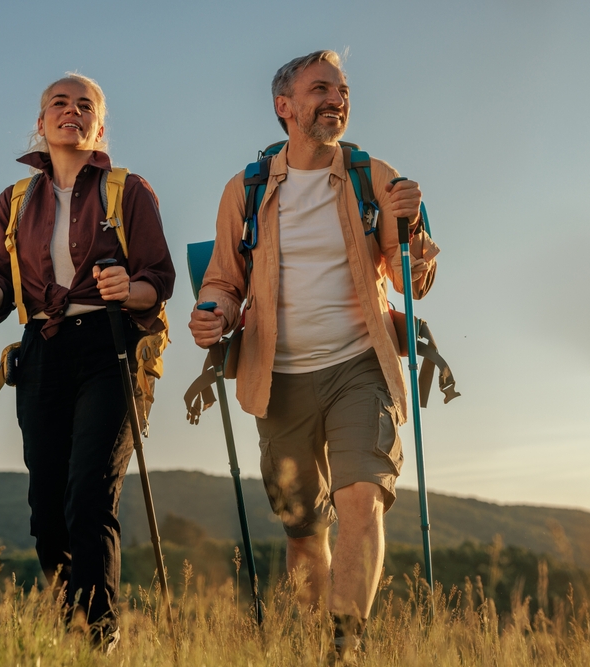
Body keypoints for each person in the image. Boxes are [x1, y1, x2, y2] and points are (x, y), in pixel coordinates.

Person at [189, 50, 439, 660]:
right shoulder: (246, 189)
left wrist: (416, 235)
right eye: (321, 88)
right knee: (304, 531)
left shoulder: (373, 176)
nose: (337, 97)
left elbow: (410, 280)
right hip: (279, 376)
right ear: (286, 107)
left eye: (343, 88)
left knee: (361, 496)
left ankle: (344, 648)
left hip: (361, 366)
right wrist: (214, 315)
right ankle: (307, 649)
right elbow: (225, 280)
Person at [0, 73, 175, 642]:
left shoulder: (130, 190)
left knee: (89, 496)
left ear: (99, 126)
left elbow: (160, 279)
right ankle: (68, 619)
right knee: (47, 509)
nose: (71, 112)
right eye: (60, 103)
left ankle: (94, 637)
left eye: (85, 106)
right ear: (42, 119)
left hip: (111, 346)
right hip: (42, 350)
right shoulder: (15, 201)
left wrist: (129, 287)